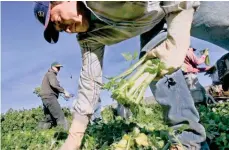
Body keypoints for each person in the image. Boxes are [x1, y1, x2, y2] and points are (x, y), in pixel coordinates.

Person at [33, 1, 213, 150]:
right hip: (152, 23)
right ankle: (190, 141)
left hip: (181, 5)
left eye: (58, 20)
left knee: (221, 24)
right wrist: (74, 139)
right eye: (61, 30)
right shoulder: (88, 38)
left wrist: (177, 41)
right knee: (153, 64)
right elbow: (89, 84)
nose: (67, 29)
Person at [38, 61, 71, 130]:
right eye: (57, 67)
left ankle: (39, 134)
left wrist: (58, 93)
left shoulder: (48, 74)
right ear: (52, 67)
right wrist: (64, 91)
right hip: (50, 98)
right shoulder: (51, 74)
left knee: (49, 119)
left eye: (59, 68)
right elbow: (54, 84)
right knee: (60, 117)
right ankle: (64, 136)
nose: (58, 69)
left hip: (45, 98)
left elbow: (51, 87)